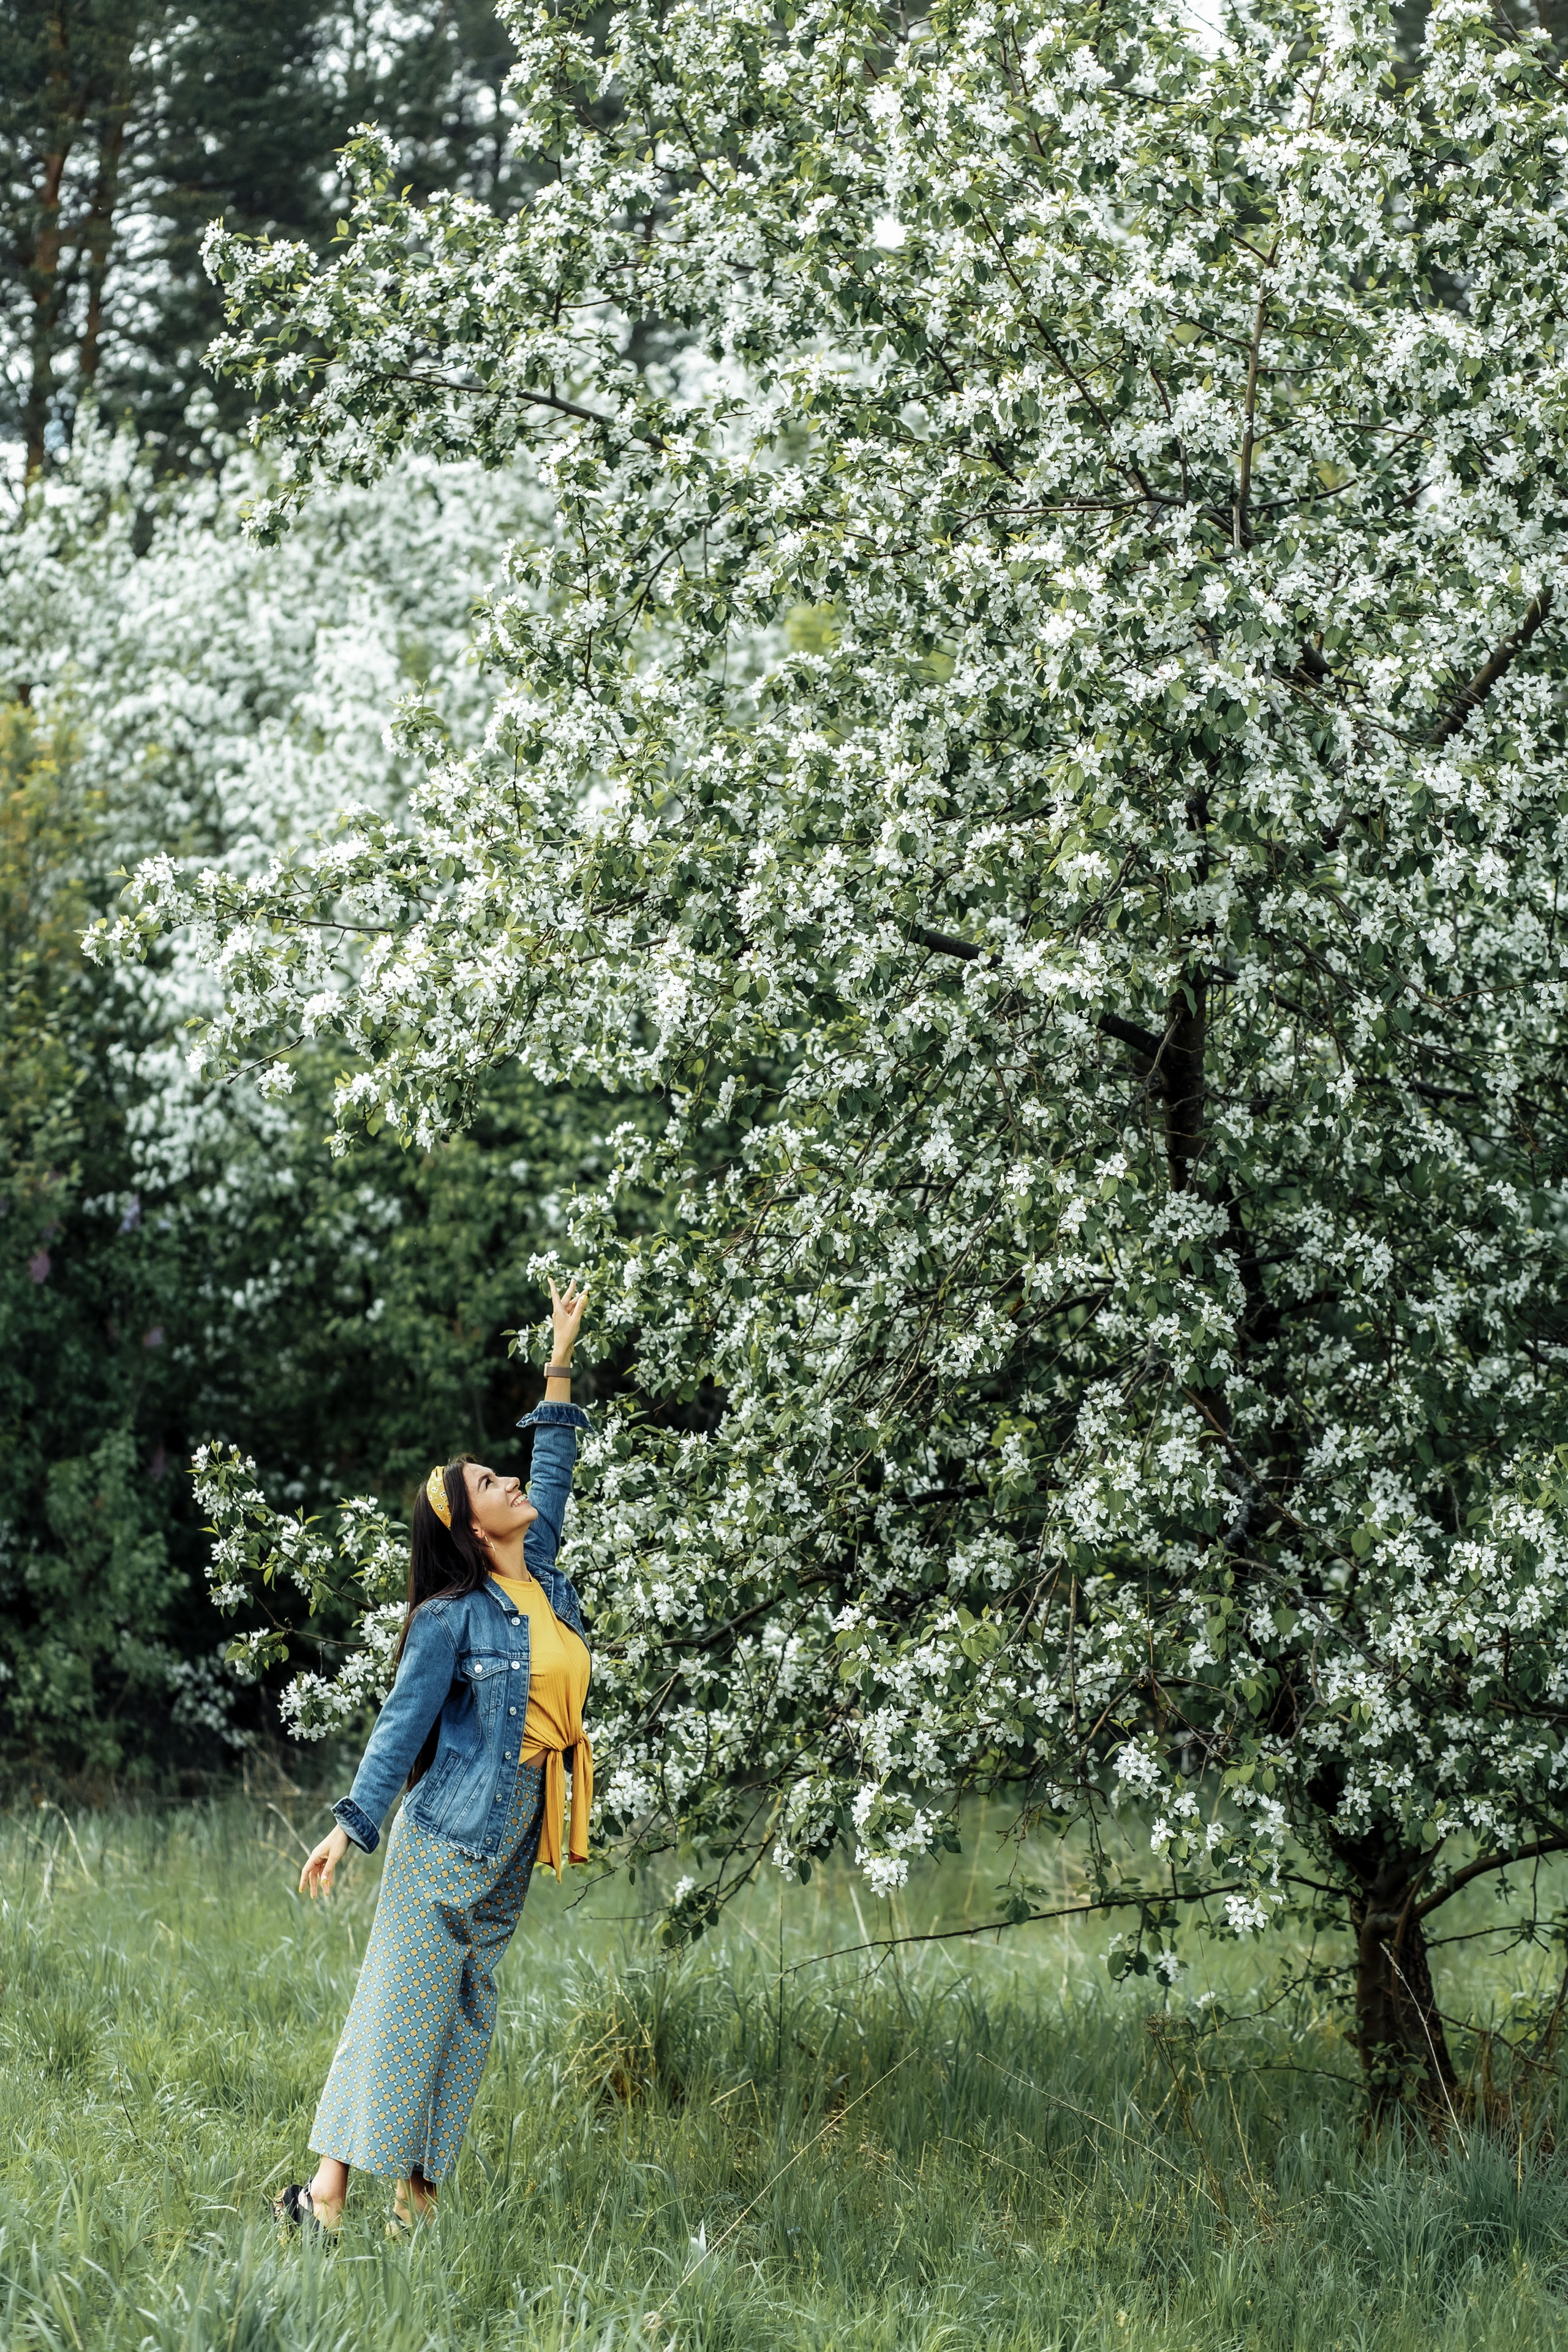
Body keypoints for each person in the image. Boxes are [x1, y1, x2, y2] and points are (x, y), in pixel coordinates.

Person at [274, 1277, 594, 2236]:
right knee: (397, 2009)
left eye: (504, 1476)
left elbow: (556, 1465)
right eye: (489, 1485)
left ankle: (415, 2199)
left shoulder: (539, 1577)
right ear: (470, 1525)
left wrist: (561, 1353)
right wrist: (348, 1831)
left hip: (515, 1838)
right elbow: (401, 1728)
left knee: (465, 2019)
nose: (508, 1483)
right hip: (444, 1837)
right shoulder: (452, 1620)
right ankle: (328, 2193)